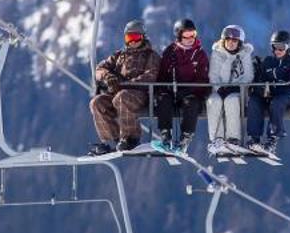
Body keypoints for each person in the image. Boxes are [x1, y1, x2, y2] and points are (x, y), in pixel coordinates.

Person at [88, 20, 158, 153]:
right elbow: (99, 69)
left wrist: (125, 84)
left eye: (136, 37)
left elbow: (151, 75)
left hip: (140, 94)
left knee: (122, 97)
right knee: (97, 102)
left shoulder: (151, 56)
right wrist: (107, 77)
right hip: (117, 94)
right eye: (129, 37)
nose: (132, 41)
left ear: (143, 37)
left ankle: (130, 138)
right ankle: (111, 140)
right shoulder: (119, 55)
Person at [245, 30, 290, 154]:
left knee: (276, 104)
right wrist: (262, 86)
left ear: (288, 47)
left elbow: (289, 76)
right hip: (271, 93)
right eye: (274, 47)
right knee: (254, 101)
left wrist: (273, 73)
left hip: (288, 94)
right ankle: (254, 139)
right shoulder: (268, 61)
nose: (277, 51)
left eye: (281, 47)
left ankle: (272, 139)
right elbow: (263, 78)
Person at [153, 18, 209, 152]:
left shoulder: (200, 54)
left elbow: (203, 79)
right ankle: (165, 135)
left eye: (193, 34)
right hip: (173, 91)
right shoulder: (170, 52)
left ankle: (185, 138)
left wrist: (190, 90)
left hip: (191, 93)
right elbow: (162, 75)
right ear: (179, 36)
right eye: (186, 35)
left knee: (192, 103)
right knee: (163, 99)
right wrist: (164, 89)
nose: (190, 38)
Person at [205, 24, 253, 155]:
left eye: (234, 40)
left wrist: (235, 87)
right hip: (220, 90)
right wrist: (219, 88)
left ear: (239, 43)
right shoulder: (217, 54)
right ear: (223, 40)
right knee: (213, 101)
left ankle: (233, 139)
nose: (231, 43)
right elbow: (213, 75)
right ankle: (217, 138)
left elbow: (248, 76)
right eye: (228, 40)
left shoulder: (244, 55)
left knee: (231, 101)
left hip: (238, 91)